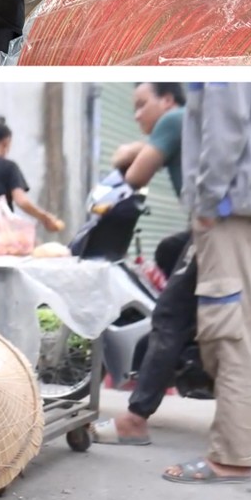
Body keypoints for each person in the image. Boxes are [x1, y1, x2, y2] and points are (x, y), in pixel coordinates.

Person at [163, 83, 251, 485]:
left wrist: (207, 200)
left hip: (232, 203)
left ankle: (234, 456)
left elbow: (226, 120)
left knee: (230, 328)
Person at [93, 82, 214, 450]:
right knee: (167, 250)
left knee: (167, 316)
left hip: (211, 227)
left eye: (141, 105)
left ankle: (135, 419)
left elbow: (134, 176)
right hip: (218, 223)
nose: (136, 115)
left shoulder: (174, 119)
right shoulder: (187, 120)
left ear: (166, 99)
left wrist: (131, 151)